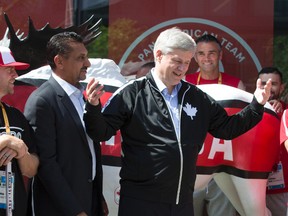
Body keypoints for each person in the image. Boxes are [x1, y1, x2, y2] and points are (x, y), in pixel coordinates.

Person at [83, 27, 272, 216]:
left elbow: (227, 129)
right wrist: (92, 107)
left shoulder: (196, 96)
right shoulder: (132, 92)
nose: (182, 68)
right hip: (140, 202)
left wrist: (257, 104)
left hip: (182, 203)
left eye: (187, 62)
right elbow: (101, 132)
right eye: (177, 61)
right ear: (158, 55)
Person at [24, 32, 108, 216]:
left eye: (86, 57)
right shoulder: (42, 101)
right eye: (81, 58)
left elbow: (89, 149)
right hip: (60, 209)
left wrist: (96, 197)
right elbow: (47, 165)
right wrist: (75, 211)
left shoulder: (82, 97)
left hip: (88, 202)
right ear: (59, 61)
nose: (88, 64)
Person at [186, 34, 244, 216]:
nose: (206, 58)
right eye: (201, 54)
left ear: (220, 55)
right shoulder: (184, 82)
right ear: (195, 57)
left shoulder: (236, 85)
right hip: (193, 165)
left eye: (211, 53)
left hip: (223, 165)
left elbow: (243, 125)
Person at [0, 46, 39, 216]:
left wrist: (22, 152)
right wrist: (7, 141)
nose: (15, 75)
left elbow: (32, 169)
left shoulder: (14, 115)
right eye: (10, 70)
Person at [258, 67, 288, 216]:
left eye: (273, 84)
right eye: (264, 83)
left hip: (281, 189)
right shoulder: (246, 113)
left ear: (281, 87)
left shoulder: (286, 112)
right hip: (251, 187)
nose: (268, 87)